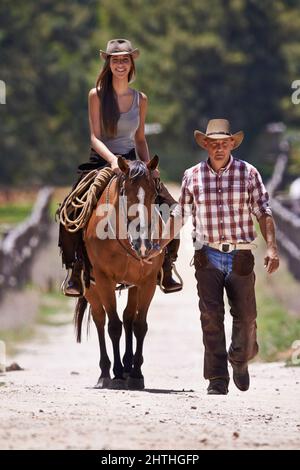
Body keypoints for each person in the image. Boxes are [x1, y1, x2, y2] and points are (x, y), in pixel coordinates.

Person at [149, 119, 280, 395]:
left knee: (246, 317)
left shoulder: (248, 173)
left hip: (241, 254)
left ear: (232, 144)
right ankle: (217, 378)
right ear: (206, 145)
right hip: (206, 255)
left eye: (224, 143)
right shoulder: (192, 176)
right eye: (214, 144)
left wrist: (271, 247)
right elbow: (180, 216)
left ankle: (240, 358)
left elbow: (263, 212)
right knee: (210, 316)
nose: (219, 148)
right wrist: (160, 244)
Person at [58, 38, 182, 297]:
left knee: (170, 207)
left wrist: (149, 168)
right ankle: (75, 268)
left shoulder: (141, 99)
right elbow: (94, 137)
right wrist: (113, 161)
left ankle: (167, 266)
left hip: (132, 164)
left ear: (131, 63)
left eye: (125, 59)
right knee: (70, 208)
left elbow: (139, 139)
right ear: (108, 63)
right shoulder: (97, 95)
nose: (120, 64)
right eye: (116, 60)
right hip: (101, 160)